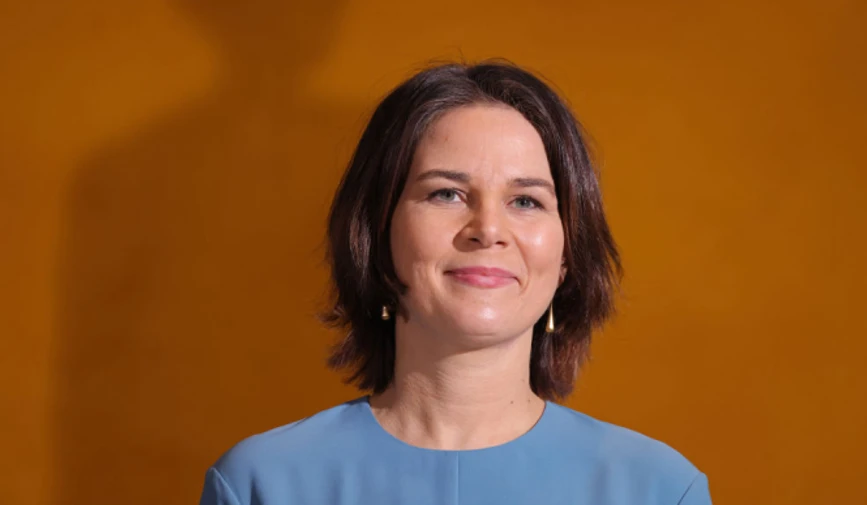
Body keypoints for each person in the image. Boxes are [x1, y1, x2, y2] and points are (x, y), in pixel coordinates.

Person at [198, 61, 712, 505]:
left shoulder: (660, 490)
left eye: (526, 201)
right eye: (446, 194)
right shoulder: (259, 484)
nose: (488, 230)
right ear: (377, 232)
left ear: (566, 257)